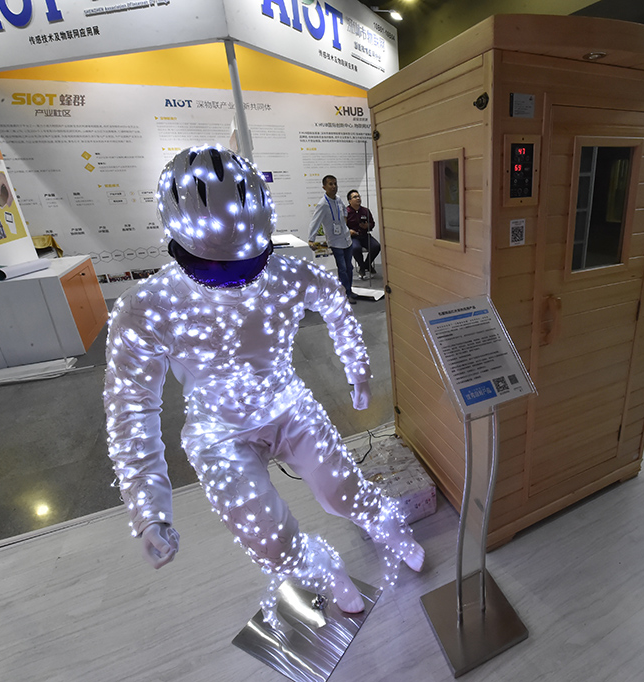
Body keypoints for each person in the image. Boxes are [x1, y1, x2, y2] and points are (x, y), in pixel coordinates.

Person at [104, 146, 423, 629]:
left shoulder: (286, 273)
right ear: (179, 246)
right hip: (217, 431)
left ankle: (383, 525)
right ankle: (317, 567)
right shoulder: (147, 307)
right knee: (267, 536)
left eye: (249, 265)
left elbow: (335, 303)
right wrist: (149, 508)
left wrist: (358, 368)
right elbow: (130, 410)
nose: (237, 285)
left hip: (287, 404)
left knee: (343, 488)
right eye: (217, 271)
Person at [307, 175, 357, 304]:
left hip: (346, 239)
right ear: (324, 187)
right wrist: (311, 239)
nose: (334, 186)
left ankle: (349, 290)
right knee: (342, 268)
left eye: (335, 183)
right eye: (330, 184)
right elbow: (315, 221)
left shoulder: (339, 199)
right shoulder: (322, 204)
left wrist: (344, 225)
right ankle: (345, 293)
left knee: (349, 267)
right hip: (335, 241)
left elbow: (344, 212)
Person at [345, 189, 381, 280]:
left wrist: (367, 226)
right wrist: (349, 231)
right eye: (355, 197)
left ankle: (365, 265)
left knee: (376, 246)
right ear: (349, 201)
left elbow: (372, 223)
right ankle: (362, 266)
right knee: (355, 248)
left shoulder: (365, 210)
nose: (358, 198)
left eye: (359, 196)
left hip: (365, 235)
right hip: (353, 237)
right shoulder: (346, 212)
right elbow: (342, 226)